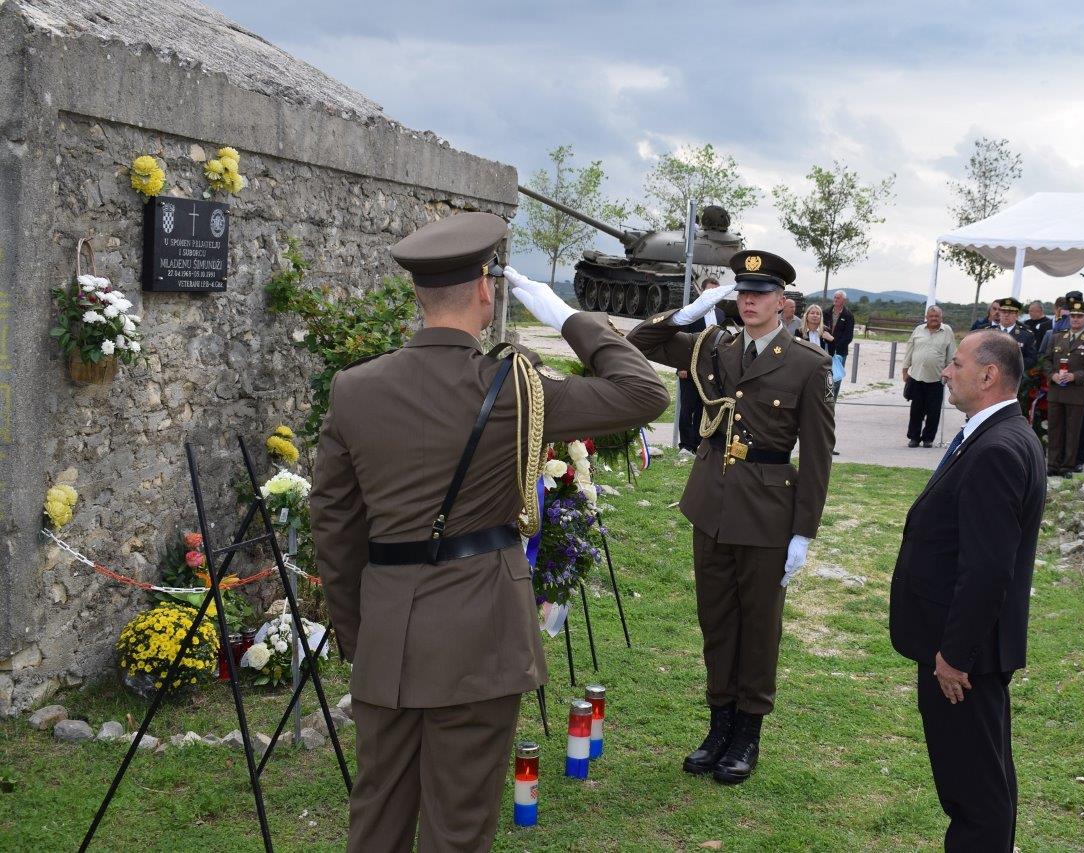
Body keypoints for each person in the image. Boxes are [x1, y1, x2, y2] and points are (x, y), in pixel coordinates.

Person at [311, 212, 669, 852]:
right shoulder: (515, 391)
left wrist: (359, 633)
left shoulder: (353, 389)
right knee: (459, 827)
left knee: (376, 817)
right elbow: (643, 393)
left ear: (419, 295)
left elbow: (334, 528)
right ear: (486, 290)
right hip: (482, 636)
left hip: (388, 633)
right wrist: (569, 317)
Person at [627, 249, 835, 786]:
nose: (748, 301)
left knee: (758, 627)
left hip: (768, 514)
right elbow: (638, 345)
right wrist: (692, 309)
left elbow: (815, 458)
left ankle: (747, 735)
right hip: (711, 505)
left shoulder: (807, 365)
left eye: (760, 293)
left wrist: (803, 533)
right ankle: (718, 727)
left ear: (782, 302)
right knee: (716, 620)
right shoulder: (716, 346)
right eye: (742, 292)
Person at [889, 330, 1046, 851]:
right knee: (986, 780)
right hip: (965, 649)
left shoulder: (997, 448)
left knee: (974, 796)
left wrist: (954, 655)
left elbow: (987, 570)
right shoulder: (1000, 433)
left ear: (987, 375)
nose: (946, 372)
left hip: (962, 658)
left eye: (955, 363)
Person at [1045, 300, 1084, 476]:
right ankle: (1052, 464)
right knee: (1054, 429)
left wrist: (1075, 376)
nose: (1075, 319)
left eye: (1080, 316)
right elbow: (1046, 360)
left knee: (1072, 431)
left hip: (1076, 392)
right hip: (1056, 391)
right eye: (1073, 316)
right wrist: (1052, 375)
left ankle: (1067, 466)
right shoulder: (1057, 337)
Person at [677, 277, 727, 454]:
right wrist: (681, 367)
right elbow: (681, 341)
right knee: (687, 407)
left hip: (709, 370)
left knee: (702, 407)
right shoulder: (691, 312)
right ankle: (685, 444)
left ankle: (698, 443)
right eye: (709, 291)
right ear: (701, 292)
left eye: (715, 292)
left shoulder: (721, 314)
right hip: (689, 367)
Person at [902, 305, 956, 448]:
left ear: (941, 317)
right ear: (926, 317)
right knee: (916, 410)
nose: (934, 319)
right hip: (917, 376)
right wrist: (905, 369)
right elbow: (910, 349)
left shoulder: (947, 331)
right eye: (931, 316)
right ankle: (914, 437)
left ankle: (928, 439)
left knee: (933, 411)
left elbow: (951, 355)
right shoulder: (918, 330)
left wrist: (949, 374)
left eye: (936, 316)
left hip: (936, 378)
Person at [822, 290, 855, 399]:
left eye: (838, 298)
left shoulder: (848, 315)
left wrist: (834, 344)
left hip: (839, 353)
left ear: (844, 300)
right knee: (823, 377)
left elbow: (848, 337)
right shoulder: (825, 312)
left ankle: (832, 404)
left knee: (835, 380)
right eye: (835, 297)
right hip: (824, 350)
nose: (835, 299)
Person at [993, 297, 1037, 376]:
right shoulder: (989, 332)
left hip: (1014, 377)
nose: (1006, 314)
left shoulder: (1026, 335)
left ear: (1016, 315)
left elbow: (1032, 359)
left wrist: (1015, 364)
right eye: (1003, 311)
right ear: (999, 313)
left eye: (1010, 312)